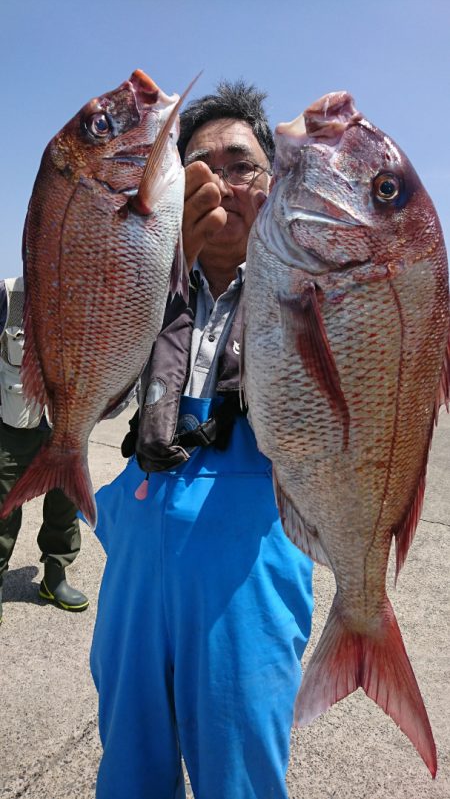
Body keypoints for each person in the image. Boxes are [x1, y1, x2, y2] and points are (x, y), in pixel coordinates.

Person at [90, 81, 314, 799]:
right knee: (127, 769)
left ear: (274, 182)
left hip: (246, 573)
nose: (219, 178)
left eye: (242, 162)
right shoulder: (140, 274)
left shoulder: (309, 284)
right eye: (198, 162)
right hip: (133, 566)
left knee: (239, 777)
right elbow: (100, 386)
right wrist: (159, 252)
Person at [0, 277, 89, 623]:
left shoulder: (88, 299)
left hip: (66, 423)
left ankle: (54, 576)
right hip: (12, 425)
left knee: (66, 504)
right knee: (3, 506)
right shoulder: (11, 294)